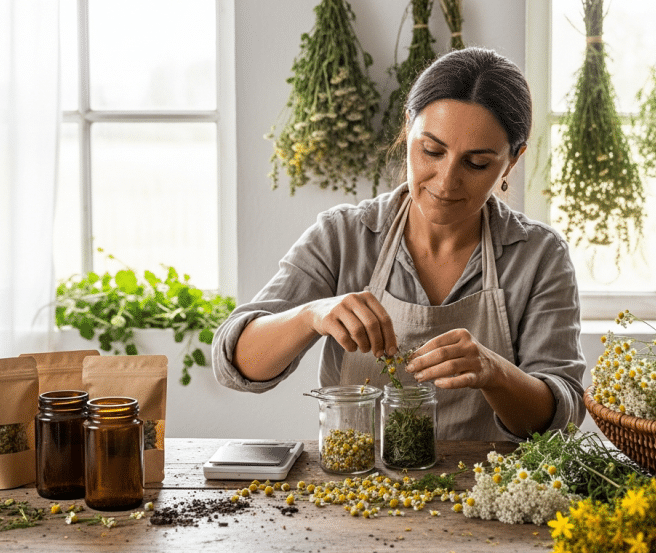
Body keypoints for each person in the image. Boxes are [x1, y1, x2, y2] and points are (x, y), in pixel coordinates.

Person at [212, 47, 585, 441]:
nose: (445, 181)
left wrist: (495, 374)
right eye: (431, 151)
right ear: (408, 129)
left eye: (476, 163)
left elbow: (560, 418)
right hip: (358, 485)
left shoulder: (539, 256)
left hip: (487, 491)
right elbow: (235, 364)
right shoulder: (345, 236)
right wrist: (311, 315)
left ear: (511, 161)